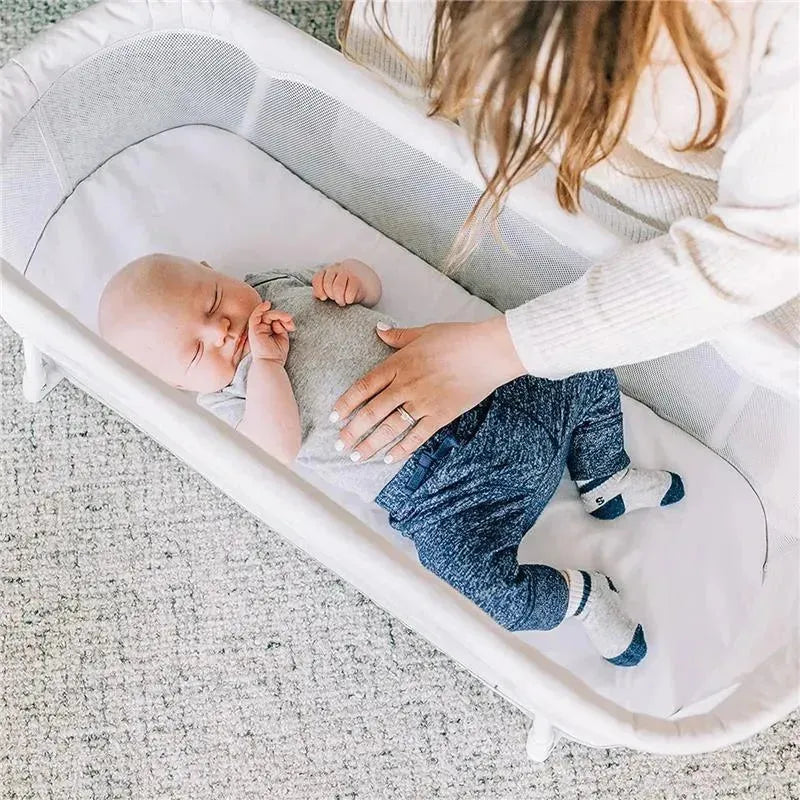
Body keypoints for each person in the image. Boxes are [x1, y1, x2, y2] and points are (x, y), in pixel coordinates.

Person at [97, 253, 687, 666]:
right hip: (444, 498)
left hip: (485, 393)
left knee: (579, 361)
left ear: (212, 269)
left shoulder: (275, 285)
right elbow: (273, 451)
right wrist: (268, 365)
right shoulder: (231, 397)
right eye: (195, 351)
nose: (223, 329)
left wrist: (349, 280)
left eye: (212, 300)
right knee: (476, 585)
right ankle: (583, 597)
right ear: (180, 386)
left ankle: (605, 476)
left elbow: (368, 288)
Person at [331, 0, 799, 465]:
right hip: (531, 150)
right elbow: (367, 143)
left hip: (707, 232)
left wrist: (498, 352)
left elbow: (754, 254)